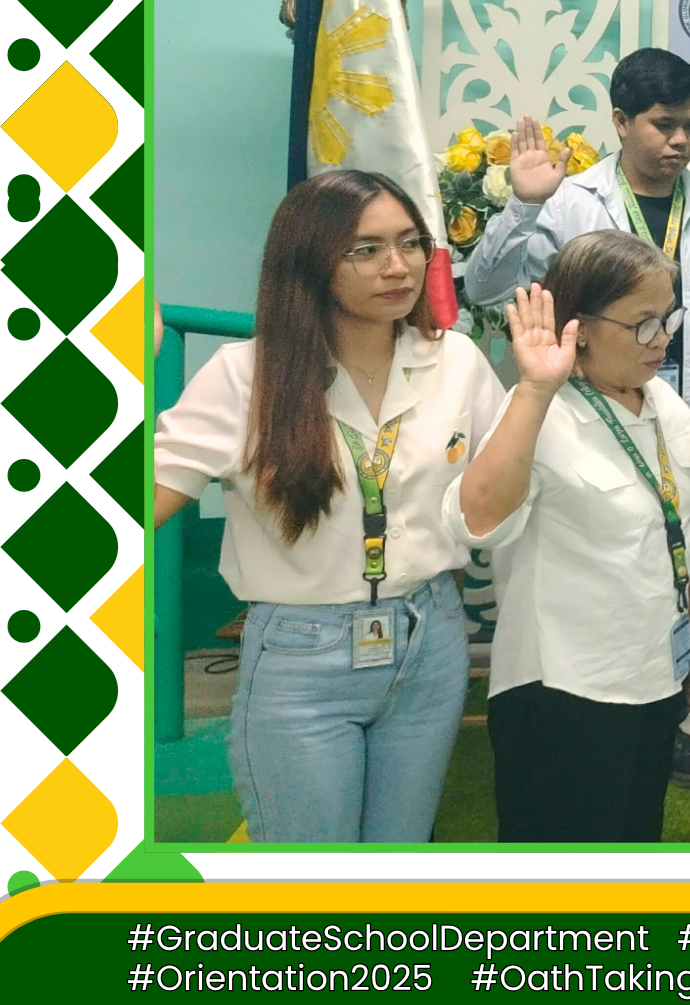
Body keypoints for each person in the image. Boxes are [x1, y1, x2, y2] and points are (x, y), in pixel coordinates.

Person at [153, 170, 505, 842]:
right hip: (301, 652)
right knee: (310, 877)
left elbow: (504, 488)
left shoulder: (455, 361)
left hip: (430, 636)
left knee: (395, 863)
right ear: (309, 262)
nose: (397, 266)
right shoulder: (244, 376)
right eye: (365, 249)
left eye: (409, 243)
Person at [460, 46, 690, 789]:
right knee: (598, 561)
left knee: (682, 558)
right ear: (621, 121)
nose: (679, 141)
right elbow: (485, 288)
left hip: (680, 424)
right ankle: (582, 702)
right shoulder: (567, 200)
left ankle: (678, 714)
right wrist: (524, 204)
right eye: (662, 125)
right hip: (587, 411)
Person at [445, 234, 690, 842]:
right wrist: (535, 390)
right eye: (643, 324)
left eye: (668, 318)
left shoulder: (664, 403)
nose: (662, 339)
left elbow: (680, 532)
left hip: (653, 674)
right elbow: (475, 521)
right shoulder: (541, 410)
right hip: (563, 691)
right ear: (583, 328)